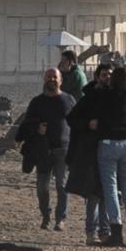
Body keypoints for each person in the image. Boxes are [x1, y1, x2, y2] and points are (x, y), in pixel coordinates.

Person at [93, 67, 126, 248]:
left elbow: (96, 96)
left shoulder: (106, 94)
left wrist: (103, 82)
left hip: (109, 142)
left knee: (111, 189)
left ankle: (116, 232)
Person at [22, 68, 77, 231]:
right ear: (44, 80)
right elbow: (26, 124)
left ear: (60, 80)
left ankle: (60, 219)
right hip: (43, 151)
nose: (51, 79)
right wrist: (36, 128)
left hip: (63, 149)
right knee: (42, 188)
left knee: (62, 185)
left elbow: (76, 122)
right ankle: (46, 215)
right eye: (48, 77)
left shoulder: (68, 100)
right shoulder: (37, 102)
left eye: (55, 77)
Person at [66, 67, 110, 246]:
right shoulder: (88, 98)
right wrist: (88, 124)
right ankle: (91, 231)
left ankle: (105, 231)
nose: (107, 77)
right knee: (93, 194)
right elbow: (72, 119)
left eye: (110, 75)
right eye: (104, 74)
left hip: (110, 150)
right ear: (97, 77)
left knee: (107, 192)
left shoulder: (116, 97)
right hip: (91, 150)